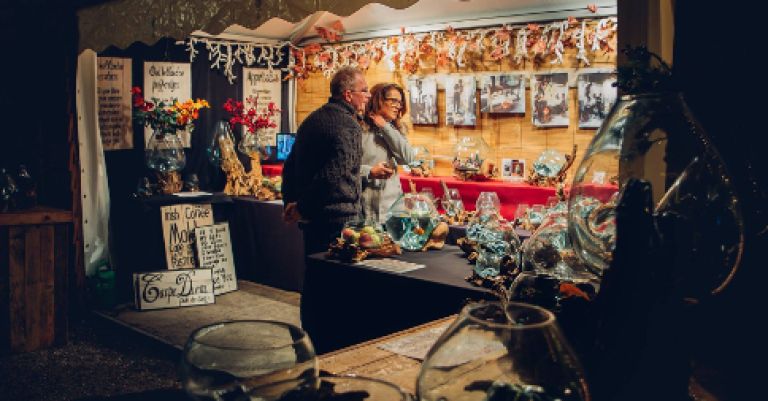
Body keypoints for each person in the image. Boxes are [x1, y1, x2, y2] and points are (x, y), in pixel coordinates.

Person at [281, 66, 371, 255]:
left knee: (314, 274)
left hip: (312, 219)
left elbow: (289, 166)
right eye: (364, 90)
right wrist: (300, 206)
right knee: (339, 280)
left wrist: (291, 203)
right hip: (339, 219)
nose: (368, 95)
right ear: (348, 95)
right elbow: (334, 175)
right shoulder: (349, 125)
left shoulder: (311, 120)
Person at [360, 83, 415, 225]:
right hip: (364, 211)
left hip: (391, 212)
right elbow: (348, 169)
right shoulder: (360, 128)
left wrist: (385, 127)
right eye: (394, 100)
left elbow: (408, 158)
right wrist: (369, 172)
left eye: (400, 102)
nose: (398, 106)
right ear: (379, 100)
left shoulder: (395, 129)